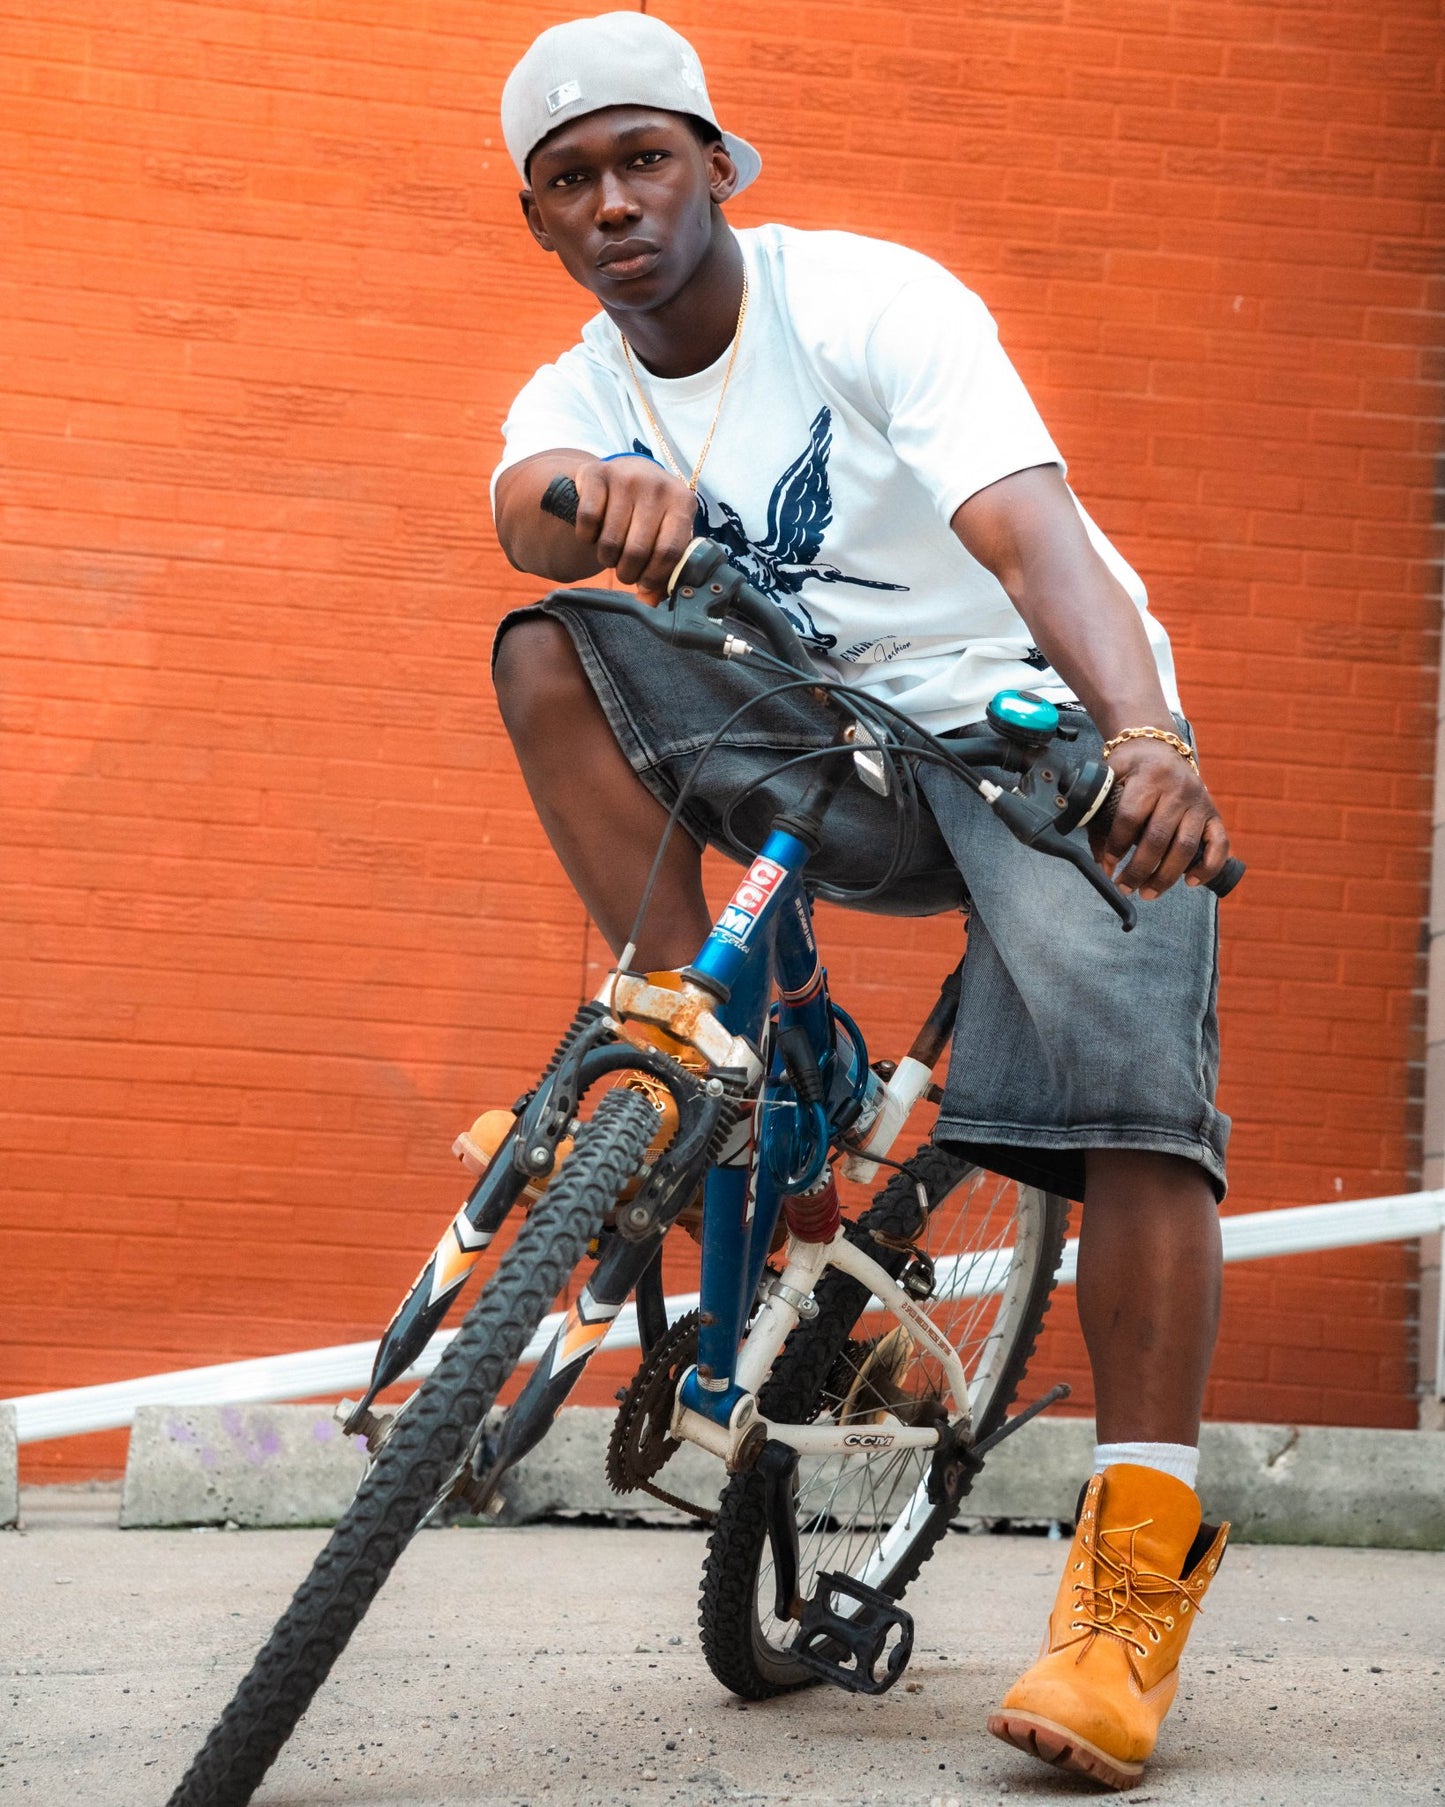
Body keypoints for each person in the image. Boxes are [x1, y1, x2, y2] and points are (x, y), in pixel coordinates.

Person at [487, 13, 1233, 1791]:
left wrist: (1140, 729)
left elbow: (1030, 531)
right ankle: (736, 1055)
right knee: (546, 653)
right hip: (819, 738)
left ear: (718, 166)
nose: (613, 203)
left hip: (1023, 716)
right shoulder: (583, 384)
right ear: (539, 222)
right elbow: (523, 513)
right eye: (569, 181)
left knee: (1136, 1106)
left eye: (643, 159)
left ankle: (1128, 1592)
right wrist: (594, 498)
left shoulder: (872, 303)